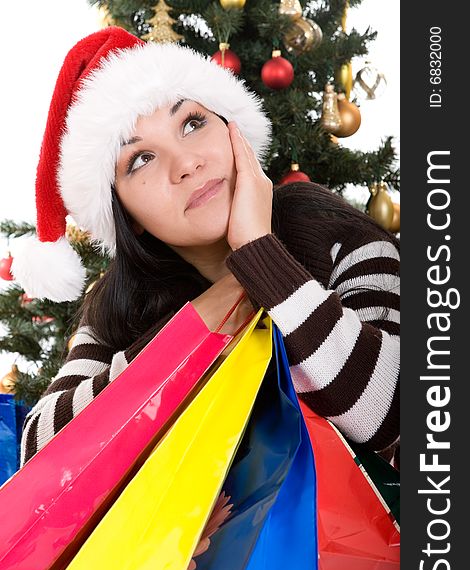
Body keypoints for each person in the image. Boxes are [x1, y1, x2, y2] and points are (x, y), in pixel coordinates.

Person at [13, 27, 400, 469]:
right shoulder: (117, 304)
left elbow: (394, 415)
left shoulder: (333, 234)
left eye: (192, 124)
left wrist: (261, 255)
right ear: (127, 216)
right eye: (141, 159)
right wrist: (205, 315)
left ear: (233, 130)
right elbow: (41, 453)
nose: (187, 164)